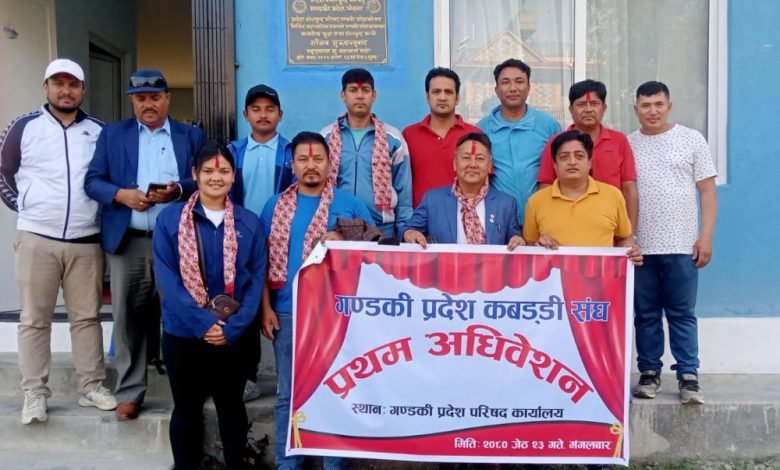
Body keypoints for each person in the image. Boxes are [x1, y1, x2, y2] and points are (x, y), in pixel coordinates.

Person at [0, 58, 117, 424]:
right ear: (46, 87)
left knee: (86, 318)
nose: (66, 91)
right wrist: (28, 207)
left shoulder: (99, 131)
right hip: (36, 238)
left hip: (86, 240)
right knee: (34, 319)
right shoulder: (24, 126)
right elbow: (4, 172)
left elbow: (108, 178)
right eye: (58, 83)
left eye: (73, 84)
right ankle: (34, 392)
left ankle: (91, 386)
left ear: (82, 89)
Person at [85, 68, 206, 420]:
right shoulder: (113, 134)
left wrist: (178, 190)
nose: (148, 105)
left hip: (176, 243)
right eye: (140, 99)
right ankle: (129, 391)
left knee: (183, 312)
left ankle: (188, 389)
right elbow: (93, 181)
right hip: (129, 241)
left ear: (167, 98)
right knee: (128, 318)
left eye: (155, 97)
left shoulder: (190, 135)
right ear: (132, 101)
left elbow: (206, 177)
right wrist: (121, 195)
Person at [260, 131, 373, 470]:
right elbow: (261, 261)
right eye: (303, 159)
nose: (311, 165)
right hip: (287, 311)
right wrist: (265, 308)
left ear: (329, 163)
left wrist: (342, 236)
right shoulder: (275, 206)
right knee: (288, 394)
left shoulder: (349, 203)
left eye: (318, 159)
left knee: (334, 391)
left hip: (334, 313)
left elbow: (376, 245)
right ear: (292, 164)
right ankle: (287, 463)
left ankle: (333, 464)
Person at [153, 141, 265, 470]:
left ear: (234, 176)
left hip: (232, 335)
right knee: (186, 408)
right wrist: (203, 323)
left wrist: (233, 327)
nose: (217, 177)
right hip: (183, 332)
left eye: (224, 171)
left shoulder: (249, 222)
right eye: (208, 171)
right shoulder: (170, 219)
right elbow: (167, 279)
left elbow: (255, 280)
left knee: (232, 407)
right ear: (194, 174)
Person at [629, 81, 717, 405]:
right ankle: (649, 373)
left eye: (658, 104)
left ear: (669, 106)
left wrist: (705, 236)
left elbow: (707, 191)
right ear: (636, 109)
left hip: (682, 246)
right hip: (641, 248)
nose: (652, 111)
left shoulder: (691, 139)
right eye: (645, 105)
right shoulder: (628, 144)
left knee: (681, 313)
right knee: (645, 314)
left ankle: (688, 376)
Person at [227, 83, 294, 402]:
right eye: (256, 109)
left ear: (280, 114)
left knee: (285, 306)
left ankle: (290, 378)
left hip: (283, 241)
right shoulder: (232, 152)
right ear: (246, 115)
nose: (263, 115)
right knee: (245, 307)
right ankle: (247, 377)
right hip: (241, 242)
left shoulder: (292, 153)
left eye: (270, 109)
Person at [523, 130, 642, 266]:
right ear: (555, 165)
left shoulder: (613, 196)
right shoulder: (536, 201)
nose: (572, 162)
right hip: (555, 277)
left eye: (579, 156)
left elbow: (624, 238)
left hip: (602, 276)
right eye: (564, 157)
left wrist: (630, 252)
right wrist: (539, 245)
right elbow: (529, 245)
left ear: (589, 163)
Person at [321, 68, 412, 238]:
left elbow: (404, 192)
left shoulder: (393, 138)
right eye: (353, 90)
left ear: (374, 95)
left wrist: (404, 230)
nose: (360, 96)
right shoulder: (326, 138)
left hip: (383, 229)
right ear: (343, 95)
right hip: (337, 229)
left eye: (365, 90)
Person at [537, 79, 639, 230]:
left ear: (604, 108)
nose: (588, 109)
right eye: (581, 104)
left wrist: (630, 233)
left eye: (595, 104)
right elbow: (545, 187)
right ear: (571, 109)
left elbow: (629, 188)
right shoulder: (556, 143)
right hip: (565, 226)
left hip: (610, 227)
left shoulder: (619, 141)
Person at [402, 132, 524, 250]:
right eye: (466, 158)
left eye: (480, 159)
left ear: (489, 165)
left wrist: (518, 241)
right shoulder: (433, 200)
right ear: (455, 163)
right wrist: (410, 233)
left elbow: (514, 239)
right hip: (445, 264)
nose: (472, 165)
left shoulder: (506, 204)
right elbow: (408, 229)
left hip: (492, 265)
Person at [477, 58, 561, 223]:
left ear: (529, 87)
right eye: (505, 82)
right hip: (498, 219)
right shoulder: (482, 129)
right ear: (496, 90)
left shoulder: (548, 125)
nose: (513, 88)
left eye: (519, 81)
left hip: (543, 217)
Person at [402, 67, 481, 207]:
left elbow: (484, 180)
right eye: (436, 92)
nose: (442, 97)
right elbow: (401, 182)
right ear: (427, 97)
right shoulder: (409, 135)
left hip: (464, 215)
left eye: (448, 92)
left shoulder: (475, 135)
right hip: (422, 217)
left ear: (457, 98)